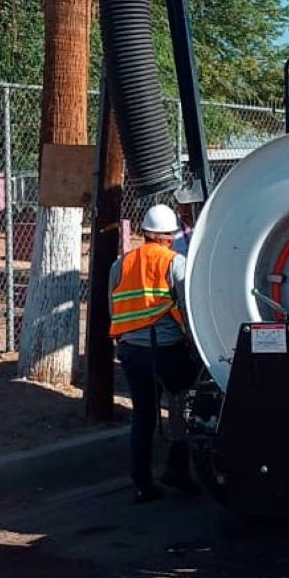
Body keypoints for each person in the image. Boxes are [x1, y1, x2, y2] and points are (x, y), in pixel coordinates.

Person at [110, 204, 199, 502]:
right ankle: (177, 468)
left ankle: (141, 482)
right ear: (168, 236)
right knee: (183, 407)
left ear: (145, 234)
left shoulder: (120, 264)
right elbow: (187, 308)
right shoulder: (176, 262)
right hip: (169, 350)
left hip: (132, 352)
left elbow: (114, 309)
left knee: (143, 415)